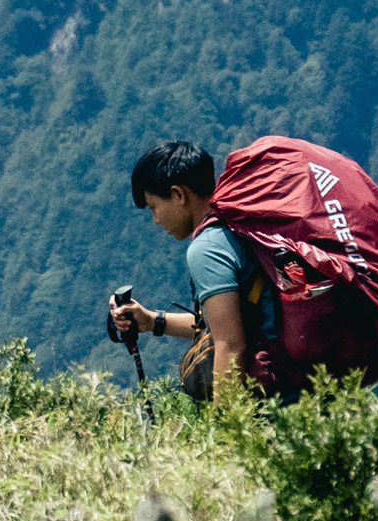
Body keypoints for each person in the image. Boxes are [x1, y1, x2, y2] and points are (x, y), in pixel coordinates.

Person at [108, 140, 280, 397]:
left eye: (154, 207)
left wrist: (225, 431)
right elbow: (227, 321)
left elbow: (230, 345)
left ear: (179, 195)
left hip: (274, 403)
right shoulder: (236, 226)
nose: (156, 221)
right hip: (307, 390)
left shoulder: (207, 249)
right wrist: (153, 321)